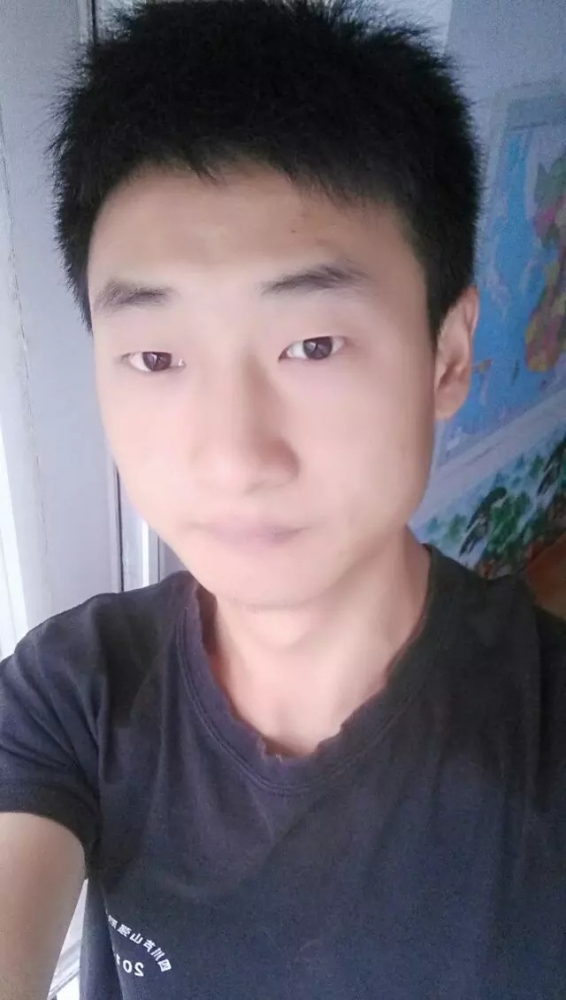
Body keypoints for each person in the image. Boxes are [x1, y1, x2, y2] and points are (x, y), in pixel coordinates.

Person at [1, 0, 565, 997]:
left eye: (311, 344)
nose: (232, 456)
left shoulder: (540, 733)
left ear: (446, 354)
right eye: (156, 357)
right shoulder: (74, 694)